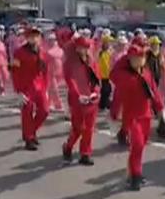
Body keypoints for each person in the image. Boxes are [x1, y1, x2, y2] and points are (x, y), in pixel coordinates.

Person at [111, 45, 164, 190]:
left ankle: (134, 172)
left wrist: (160, 109)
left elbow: (154, 91)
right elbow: (117, 93)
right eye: (134, 58)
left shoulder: (146, 74)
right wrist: (114, 114)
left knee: (140, 147)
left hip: (145, 115)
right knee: (138, 145)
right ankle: (135, 175)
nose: (138, 60)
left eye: (141, 57)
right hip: (131, 117)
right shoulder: (124, 76)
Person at [62, 36, 101, 166]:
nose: (83, 49)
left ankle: (85, 153)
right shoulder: (70, 62)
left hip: (91, 99)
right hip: (77, 100)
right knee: (78, 128)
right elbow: (70, 80)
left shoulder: (91, 60)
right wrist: (78, 95)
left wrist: (96, 91)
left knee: (89, 128)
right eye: (80, 47)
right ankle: (68, 146)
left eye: (85, 47)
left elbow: (96, 77)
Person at [11, 27, 50, 151]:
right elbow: (14, 71)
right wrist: (18, 91)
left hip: (40, 86)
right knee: (27, 113)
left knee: (44, 111)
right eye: (31, 36)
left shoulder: (42, 52)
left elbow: (45, 71)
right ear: (27, 38)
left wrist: (46, 88)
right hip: (25, 86)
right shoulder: (19, 52)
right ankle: (29, 138)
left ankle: (30, 132)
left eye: (36, 36)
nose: (34, 38)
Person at [145, 36, 165, 138]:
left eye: (157, 45)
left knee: (161, 107)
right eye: (153, 45)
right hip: (148, 85)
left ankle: (162, 129)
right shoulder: (146, 56)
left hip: (159, 85)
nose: (155, 47)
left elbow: (163, 72)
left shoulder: (161, 57)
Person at [45, 33, 65, 112]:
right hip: (50, 73)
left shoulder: (60, 50)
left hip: (59, 72)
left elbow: (63, 60)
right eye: (50, 40)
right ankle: (58, 105)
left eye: (53, 40)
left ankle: (49, 103)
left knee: (51, 89)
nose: (52, 42)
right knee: (54, 89)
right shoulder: (47, 51)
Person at [97, 35, 114, 110]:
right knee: (105, 90)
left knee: (108, 90)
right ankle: (103, 104)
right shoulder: (101, 52)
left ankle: (104, 103)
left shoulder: (109, 52)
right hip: (103, 75)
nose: (110, 44)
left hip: (108, 74)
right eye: (108, 42)